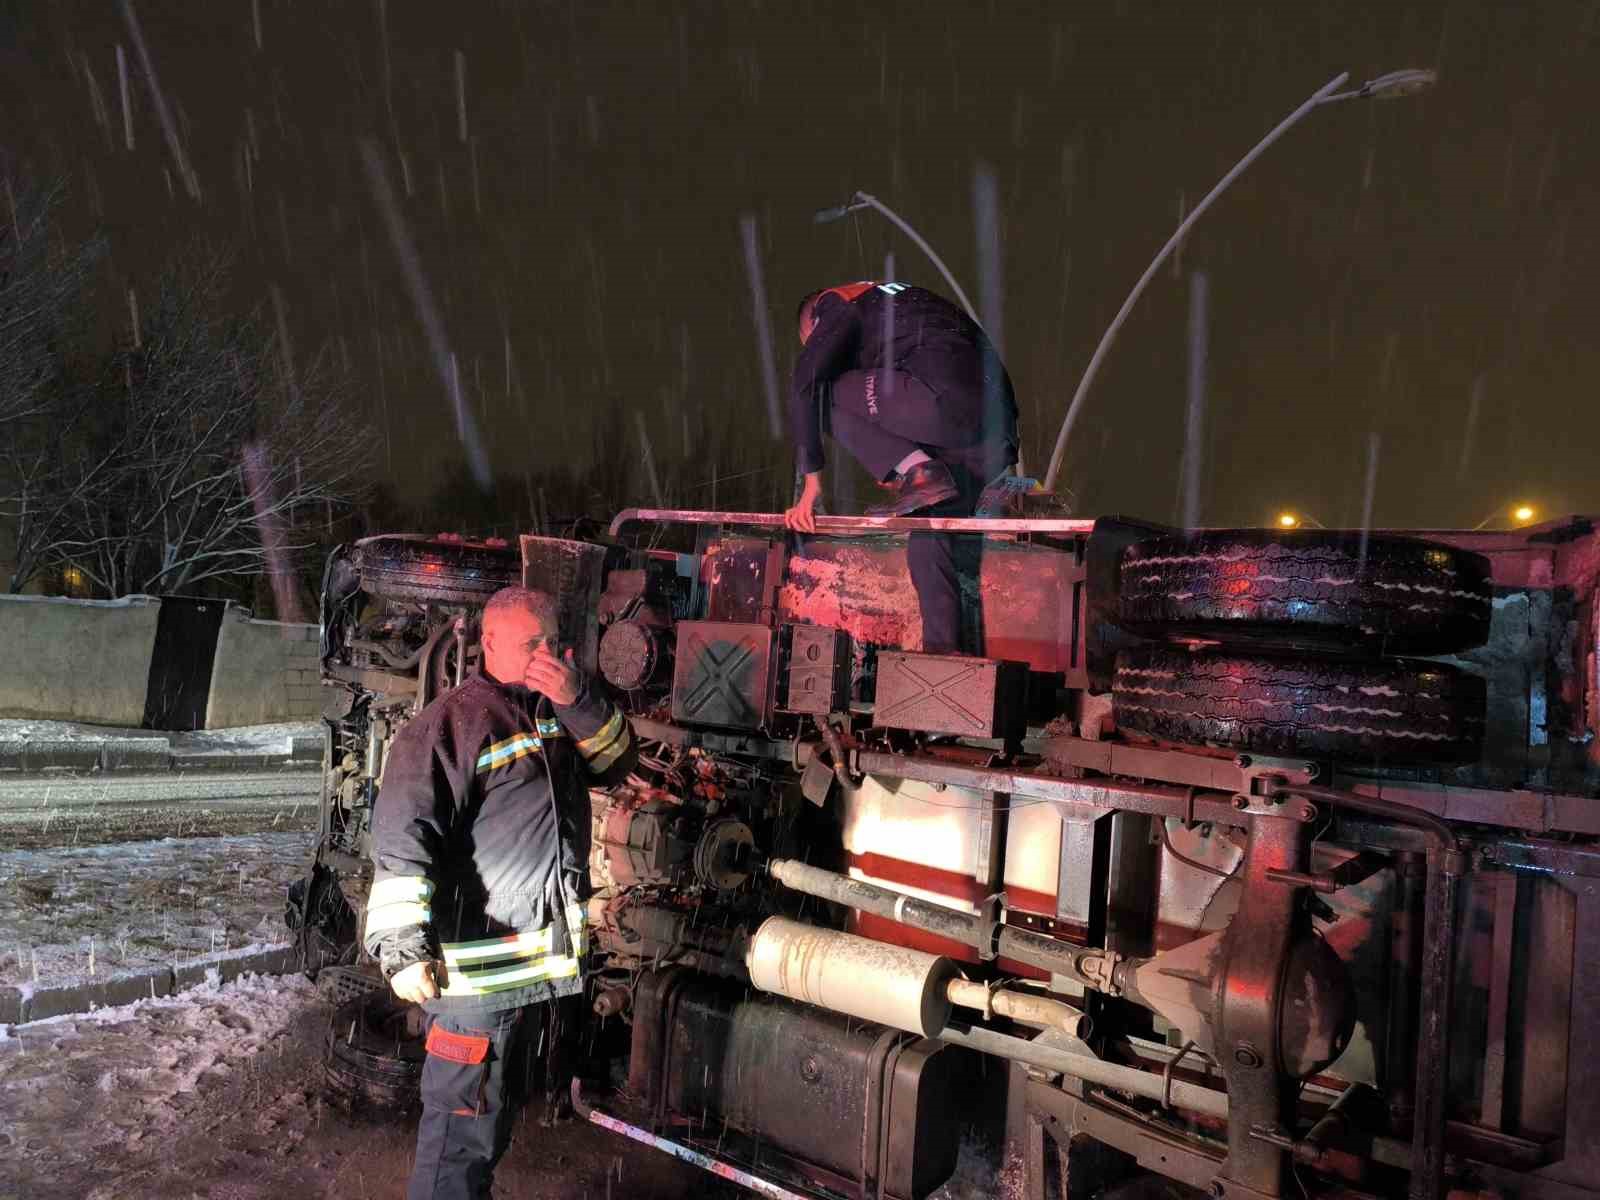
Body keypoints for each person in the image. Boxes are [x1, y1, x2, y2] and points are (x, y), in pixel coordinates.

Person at [362, 586, 635, 1200]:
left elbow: (617, 763)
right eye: (533, 643)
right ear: (488, 644)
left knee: (489, 1137)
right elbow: (403, 835)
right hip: (476, 988)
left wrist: (581, 701)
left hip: (528, 981)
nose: (550, 654)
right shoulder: (449, 726)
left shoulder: (558, 709)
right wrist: (402, 947)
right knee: (458, 1147)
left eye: (555, 640)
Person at [783, 281, 1020, 653]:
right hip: (993, 434)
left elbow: (804, 384)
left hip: (943, 397)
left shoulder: (833, 303)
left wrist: (811, 485)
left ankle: (920, 469)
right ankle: (942, 654)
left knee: (819, 393)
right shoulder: (897, 305)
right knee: (928, 530)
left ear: (814, 326)